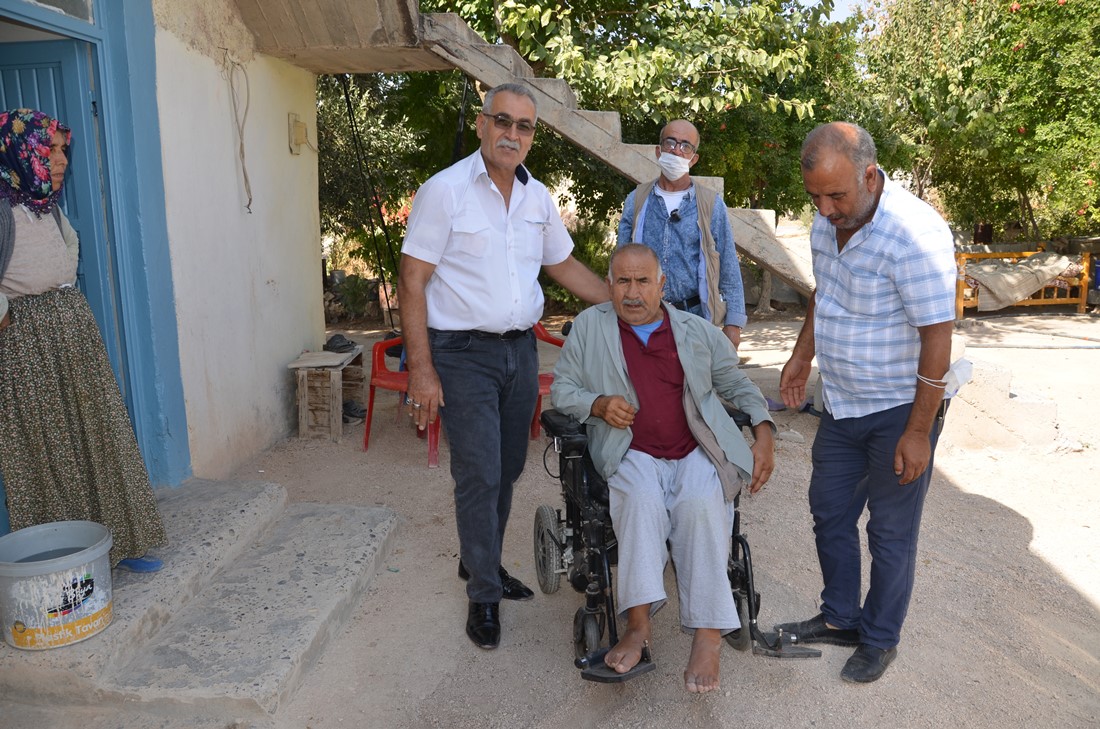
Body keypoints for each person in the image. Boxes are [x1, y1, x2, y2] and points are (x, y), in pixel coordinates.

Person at [397, 83, 609, 650]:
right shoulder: (445, 191)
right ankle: (484, 593)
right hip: (461, 354)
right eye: (503, 121)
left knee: (510, 466)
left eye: (524, 126)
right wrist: (421, 370)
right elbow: (412, 279)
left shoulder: (537, 198)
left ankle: (478, 559)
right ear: (482, 123)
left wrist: (624, 300)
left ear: (532, 136)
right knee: (480, 472)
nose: (512, 134)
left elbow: (564, 265)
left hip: (520, 352)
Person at [775, 122, 956, 683]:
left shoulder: (915, 233)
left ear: (870, 176)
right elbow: (823, 293)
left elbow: (937, 337)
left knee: (890, 533)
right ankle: (839, 617)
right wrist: (802, 355)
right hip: (842, 402)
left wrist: (918, 432)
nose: (824, 210)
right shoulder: (828, 222)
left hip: (900, 408)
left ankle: (879, 639)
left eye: (836, 195)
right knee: (829, 511)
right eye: (815, 197)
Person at [551, 243, 775, 693]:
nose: (632, 292)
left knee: (701, 504)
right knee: (640, 502)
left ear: (661, 284)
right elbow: (563, 390)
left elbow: (736, 383)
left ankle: (708, 635)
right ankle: (638, 625)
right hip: (630, 450)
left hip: (693, 448)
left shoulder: (695, 331)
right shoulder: (590, 328)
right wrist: (597, 403)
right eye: (622, 281)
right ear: (609, 284)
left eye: (642, 281)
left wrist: (764, 432)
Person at [0, 108, 167, 571]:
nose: (60, 161)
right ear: (20, 153)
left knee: (99, 432)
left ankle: (121, 543)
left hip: (71, 331)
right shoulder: (3, 210)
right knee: (48, 451)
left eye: (62, 151)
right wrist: (7, 313)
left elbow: (71, 243)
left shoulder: (45, 205)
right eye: (49, 151)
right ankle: (64, 563)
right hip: (27, 344)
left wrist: (64, 284)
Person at [617, 119, 748, 349]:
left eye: (686, 146)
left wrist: (734, 323)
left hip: (695, 320)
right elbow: (619, 263)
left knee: (693, 374)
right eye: (670, 142)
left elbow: (728, 263)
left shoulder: (710, 204)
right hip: (643, 319)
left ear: (693, 159)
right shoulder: (636, 200)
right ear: (658, 151)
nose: (677, 150)